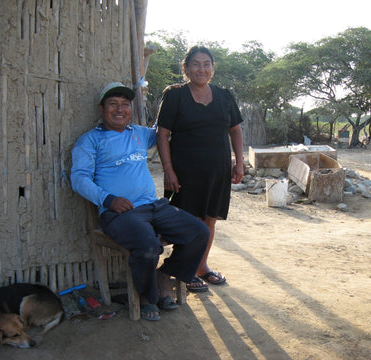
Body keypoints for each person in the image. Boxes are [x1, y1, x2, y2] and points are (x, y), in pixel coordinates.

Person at [70, 82, 209, 321]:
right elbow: (78, 178)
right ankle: (148, 296)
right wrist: (108, 199)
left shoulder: (139, 134)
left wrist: (173, 97)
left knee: (199, 232)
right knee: (147, 245)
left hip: (154, 207)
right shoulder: (90, 141)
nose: (119, 109)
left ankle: (164, 276)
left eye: (125, 104)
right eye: (113, 104)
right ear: (101, 109)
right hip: (120, 213)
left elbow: (163, 131)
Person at [156, 46, 244, 292]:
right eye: (195, 64)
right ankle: (182, 269)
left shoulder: (224, 96)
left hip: (217, 171)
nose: (201, 69)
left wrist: (239, 161)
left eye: (206, 64)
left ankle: (201, 267)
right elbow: (162, 134)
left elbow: (235, 130)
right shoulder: (175, 96)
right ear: (185, 68)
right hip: (184, 172)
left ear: (212, 68)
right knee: (187, 221)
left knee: (209, 220)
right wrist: (168, 170)